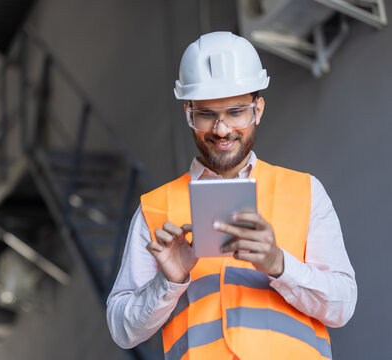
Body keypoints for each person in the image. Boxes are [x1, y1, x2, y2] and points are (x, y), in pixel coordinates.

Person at [106, 32, 357, 360]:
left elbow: (342, 307)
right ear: (189, 114)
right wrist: (168, 282)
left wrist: (279, 265)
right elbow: (122, 330)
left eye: (236, 112)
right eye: (206, 114)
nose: (221, 130)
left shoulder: (305, 192)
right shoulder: (155, 209)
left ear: (258, 110)